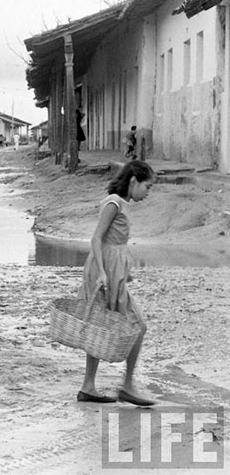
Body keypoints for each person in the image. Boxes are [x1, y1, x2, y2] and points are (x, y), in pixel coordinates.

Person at [76, 160, 156, 406]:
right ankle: (127, 386)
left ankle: (90, 386)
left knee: (102, 326)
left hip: (113, 272)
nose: (147, 193)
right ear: (133, 181)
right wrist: (102, 272)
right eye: (147, 187)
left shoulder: (120, 204)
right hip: (104, 272)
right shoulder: (113, 203)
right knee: (137, 325)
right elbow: (96, 239)